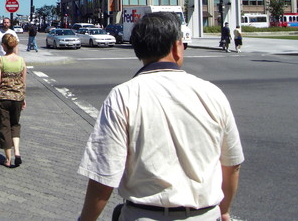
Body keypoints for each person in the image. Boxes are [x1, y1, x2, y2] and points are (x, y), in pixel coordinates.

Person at [78, 12, 244, 221]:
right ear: (176, 47)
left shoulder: (124, 95)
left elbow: (104, 173)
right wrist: (224, 210)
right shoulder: (212, 93)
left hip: (143, 214)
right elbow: (232, 163)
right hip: (206, 214)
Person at [0, 33, 27, 168]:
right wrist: (23, 97)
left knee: (4, 127)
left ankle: (8, 159)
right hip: (18, 97)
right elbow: (23, 81)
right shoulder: (21, 61)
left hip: (3, 98)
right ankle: (17, 151)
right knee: (15, 124)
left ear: (4, 46)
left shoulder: (0, 61)